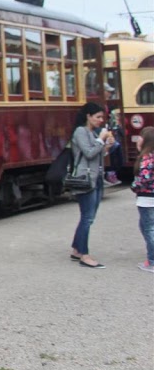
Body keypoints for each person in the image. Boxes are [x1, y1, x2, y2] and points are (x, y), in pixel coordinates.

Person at [68, 101, 116, 268]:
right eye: (98, 117)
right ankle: (84, 255)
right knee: (87, 218)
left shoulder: (91, 132)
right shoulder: (80, 131)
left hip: (95, 178)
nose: (100, 120)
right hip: (86, 179)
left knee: (88, 217)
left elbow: (96, 153)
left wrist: (107, 146)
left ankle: (76, 249)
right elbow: (89, 153)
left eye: (102, 117)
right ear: (88, 116)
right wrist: (101, 140)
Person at [131, 126, 154, 273]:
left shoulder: (146, 159)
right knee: (146, 226)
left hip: (147, 199)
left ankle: (152, 261)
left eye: (140, 136)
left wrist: (134, 186)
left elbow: (142, 180)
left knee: (148, 228)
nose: (138, 139)